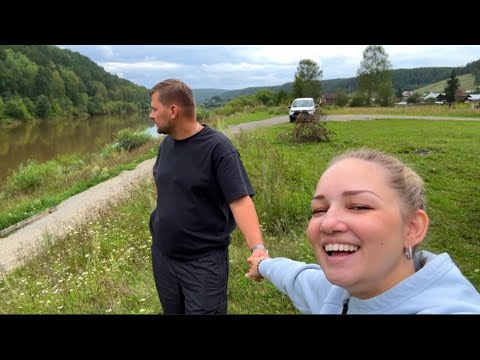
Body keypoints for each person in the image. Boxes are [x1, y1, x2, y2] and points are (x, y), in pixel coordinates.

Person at [246, 149, 480, 314]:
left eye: (359, 206)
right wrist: (263, 265)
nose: (327, 223)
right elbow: (294, 276)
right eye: (319, 210)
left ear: (412, 228)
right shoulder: (337, 294)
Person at [148, 79, 267, 314]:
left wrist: (258, 247)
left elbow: (240, 200)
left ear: (173, 111)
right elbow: (162, 185)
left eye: (153, 109)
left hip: (203, 264)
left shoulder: (218, 148)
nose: (151, 115)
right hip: (163, 256)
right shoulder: (166, 146)